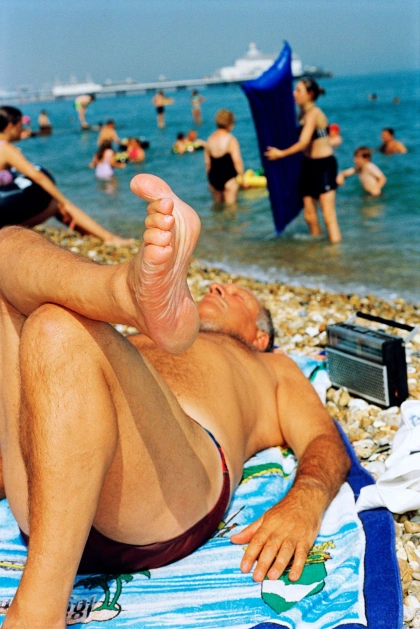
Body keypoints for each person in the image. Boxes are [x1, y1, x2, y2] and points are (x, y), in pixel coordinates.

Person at [0, 172, 350, 628]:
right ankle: (123, 291)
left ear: (260, 335)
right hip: (47, 500)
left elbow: (324, 440)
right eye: (217, 286)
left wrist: (304, 502)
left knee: (57, 329)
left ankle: (38, 613)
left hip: (168, 491)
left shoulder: (272, 365)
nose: (218, 288)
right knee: (6, 246)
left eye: (237, 294)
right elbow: (53, 408)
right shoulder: (139, 340)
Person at [0, 106, 132, 244]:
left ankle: (95, 236)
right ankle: (108, 238)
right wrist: (64, 201)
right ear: (10, 126)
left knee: (57, 206)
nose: (22, 130)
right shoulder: (6, 149)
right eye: (20, 126)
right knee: (57, 205)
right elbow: (37, 176)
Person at [264, 78, 342, 244]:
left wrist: (281, 154)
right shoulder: (301, 113)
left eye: (298, 90)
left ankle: (335, 254)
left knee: (328, 216)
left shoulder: (314, 113)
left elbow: (304, 142)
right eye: (295, 90)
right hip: (308, 166)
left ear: (310, 94)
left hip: (324, 166)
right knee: (309, 216)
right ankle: (316, 250)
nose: (294, 94)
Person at [205, 109, 245, 205]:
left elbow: (208, 164)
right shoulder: (231, 140)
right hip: (229, 178)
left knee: (217, 207)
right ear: (230, 124)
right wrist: (243, 179)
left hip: (213, 178)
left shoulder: (209, 140)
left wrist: (210, 181)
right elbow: (237, 161)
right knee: (231, 208)